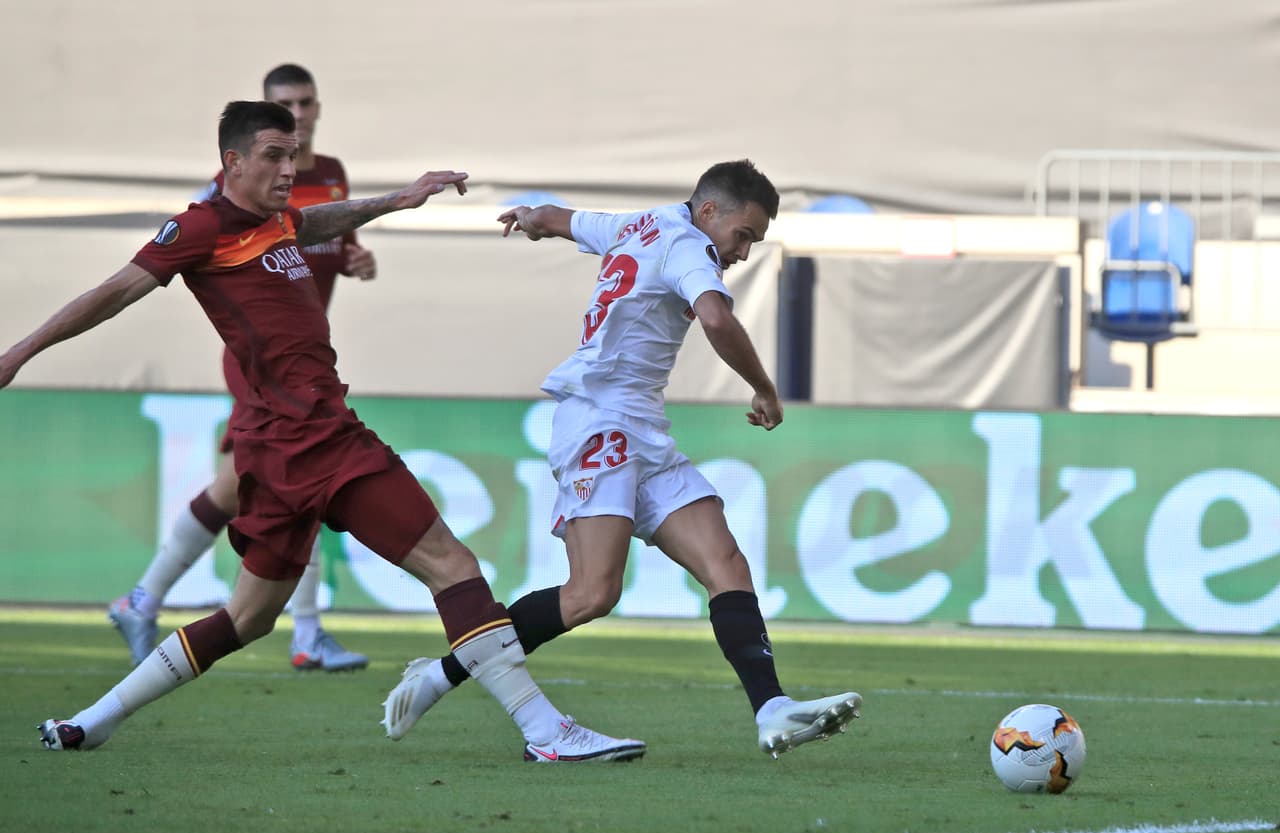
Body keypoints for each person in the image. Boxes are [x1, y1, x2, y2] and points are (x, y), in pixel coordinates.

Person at [2, 100, 644, 763]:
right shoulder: (200, 228)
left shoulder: (274, 220)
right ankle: (546, 730)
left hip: (283, 449)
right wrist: (20, 351)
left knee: (247, 618)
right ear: (234, 161)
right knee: (451, 564)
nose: (289, 168)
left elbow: (315, 221)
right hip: (318, 440)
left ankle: (91, 719)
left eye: (293, 153)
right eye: (275, 155)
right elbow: (113, 291)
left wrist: (400, 198)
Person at [381, 160, 862, 759]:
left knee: (726, 563)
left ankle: (772, 709)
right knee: (591, 594)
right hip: (599, 421)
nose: (741, 252)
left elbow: (566, 220)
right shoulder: (689, 249)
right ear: (709, 211)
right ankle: (440, 675)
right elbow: (715, 316)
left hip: (641, 428)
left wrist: (532, 218)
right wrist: (764, 388)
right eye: (744, 235)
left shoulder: (639, 225)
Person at [109, 63, 375, 673]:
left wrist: (356, 256)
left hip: (303, 360)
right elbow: (203, 249)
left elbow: (316, 245)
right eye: (287, 104)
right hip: (259, 362)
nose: (301, 113)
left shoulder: (330, 176)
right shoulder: (233, 185)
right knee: (301, 474)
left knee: (233, 488)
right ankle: (306, 633)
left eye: (307, 102)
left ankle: (140, 599)